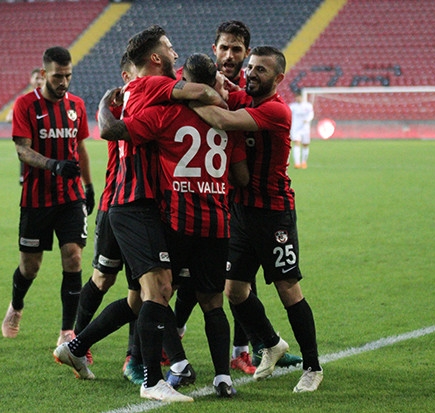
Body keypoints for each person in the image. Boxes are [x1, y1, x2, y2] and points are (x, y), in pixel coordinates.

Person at [54, 25, 225, 403]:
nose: (176, 55)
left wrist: (106, 105)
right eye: (170, 48)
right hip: (134, 205)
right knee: (157, 289)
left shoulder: (134, 93)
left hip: (129, 203)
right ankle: (152, 378)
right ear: (155, 58)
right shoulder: (152, 85)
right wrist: (219, 94)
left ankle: (76, 346)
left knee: (137, 297)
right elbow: (202, 92)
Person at [103, 52, 250, 397]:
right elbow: (241, 177)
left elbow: (118, 132)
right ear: (212, 83)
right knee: (213, 302)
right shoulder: (228, 121)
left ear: (186, 82)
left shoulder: (166, 113)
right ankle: (223, 378)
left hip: (177, 221)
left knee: (158, 294)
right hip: (217, 223)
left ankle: (161, 367)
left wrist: (108, 104)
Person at [190, 46, 324, 392]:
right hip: (240, 211)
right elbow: (219, 89)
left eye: (260, 70)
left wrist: (187, 100)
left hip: (273, 213)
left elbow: (222, 120)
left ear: (278, 78)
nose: (251, 73)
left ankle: (312, 366)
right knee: (234, 290)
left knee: (287, 288)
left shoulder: (276, 110)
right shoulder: (243, 98)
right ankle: (272, 343)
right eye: (250, 67)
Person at [174, 20, 302, 376]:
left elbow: (240, 158)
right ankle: (150, 349)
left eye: (237, 50)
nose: (230, 55)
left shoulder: (245, 96)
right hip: (191, 200)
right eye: (224, 48)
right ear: (213, 50)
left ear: (246, 53)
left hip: (236, 204)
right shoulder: (190, 84)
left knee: (236, 281)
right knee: (188, 280)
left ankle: (247, 350)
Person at [1, 46, 95, 349]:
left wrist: (89, 186)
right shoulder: (25, 104)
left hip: (70, 197)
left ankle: (67, 331)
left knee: (74, 256)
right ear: (44, 74)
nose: (63, 82)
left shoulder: (77, 105)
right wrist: (53, 165)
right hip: (36, 199)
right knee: (30, 266)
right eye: (57, 76)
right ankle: (16, 305)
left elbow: (81, 148)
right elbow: (22, 150)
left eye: (68, 76)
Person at [71, 52, 137, 371]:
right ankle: (77, 342)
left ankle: (134, 356)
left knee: (145, 285)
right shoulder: (116, 107)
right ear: (126, 77)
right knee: (102, 278)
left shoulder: (157, 99)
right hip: (115, 204)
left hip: (147, 207)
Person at [5, 68, 46, 184]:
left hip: (47, 146)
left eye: (41, 78)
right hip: (29, 148)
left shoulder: (50, 100)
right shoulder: (24, 101)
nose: (39, 81)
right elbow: (9, 117)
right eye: (36, 78)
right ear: (31, 80)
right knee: (29, 185)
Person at [289, 90, 314, 169]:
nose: (298, 98)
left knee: (305, 145)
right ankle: (297, 163)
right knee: (296, 143)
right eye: (297, 97)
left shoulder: (308, 106)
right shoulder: (292, 107)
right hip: (295, 129)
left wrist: (307, 119)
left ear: (302, 97)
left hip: (305, 128)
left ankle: (304, 162)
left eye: (299, 97)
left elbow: (311, 114)